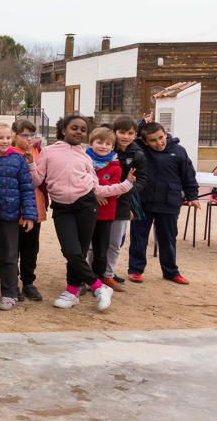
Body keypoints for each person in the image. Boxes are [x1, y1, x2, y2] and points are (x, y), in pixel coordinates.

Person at [30, 114, 134, 312]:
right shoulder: (48, 152)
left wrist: (126, 185)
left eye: (83, 129)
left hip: (86, 206)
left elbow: (97, 189)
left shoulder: (85, 157)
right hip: (62, 208)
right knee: (70, 251)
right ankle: (99, 287)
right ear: (63, 130)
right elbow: (37, 180)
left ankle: (72, 291)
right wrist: (30, 163)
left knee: (79, 251)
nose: (78, 132)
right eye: (74, 128)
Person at [127, 122, 199, 285]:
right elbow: (132, 139)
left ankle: (171, 272)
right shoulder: (140, 150)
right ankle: (135, 270)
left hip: (169, 203)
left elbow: (188, 175)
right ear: (145, 141)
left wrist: (192, 196)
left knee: (168, 239)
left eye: (161, 137)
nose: (159, 143)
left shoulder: (179, 151)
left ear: (165, 133)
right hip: (143, 203)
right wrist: (141, 125)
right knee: (139, 238)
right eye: (153, 140)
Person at [0, 123, 37, 311]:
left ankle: (9, 293)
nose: (4, 141)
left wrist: (29, 215)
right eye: (0, 137)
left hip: (10, 216)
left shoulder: (18, 159)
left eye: (7, 137)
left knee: (9, 256)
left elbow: (27, 188)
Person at [106, 116, 147, 287]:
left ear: (135, 134)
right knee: (97, 241)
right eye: (122, 132)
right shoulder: (105, 148)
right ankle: (93, 273)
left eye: (130, 133)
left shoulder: (138, 154)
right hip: (102, 199)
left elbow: (142, 180)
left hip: (123, 201)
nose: (125, 136)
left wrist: (124, 191)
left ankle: (107, 273)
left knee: (116, 241)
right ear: (114, 132)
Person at [85, 126, 124, 292]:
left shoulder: (116, 167)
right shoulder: (84, 161)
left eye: (107, 143)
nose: (103, 146)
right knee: (84, 248)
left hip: (106, 214)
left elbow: (116, 190)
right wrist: (96, 192)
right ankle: (83, 277)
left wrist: (99, 188)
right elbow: (79, 182)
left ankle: (99, 279)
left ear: (112, 146)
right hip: (85, 212)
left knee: (101, 250)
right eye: (99, 142)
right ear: (91, 143)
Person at [12, 118, 47, 301]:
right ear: (14, 135)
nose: (29, 139)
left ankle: (28, 282)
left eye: (32, 135)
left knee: (31, 248)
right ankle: (12, 283)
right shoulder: (10, 152)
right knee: (12, 249)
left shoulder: (38, 151)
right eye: (24, 135)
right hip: (14, 209)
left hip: (36, 207)